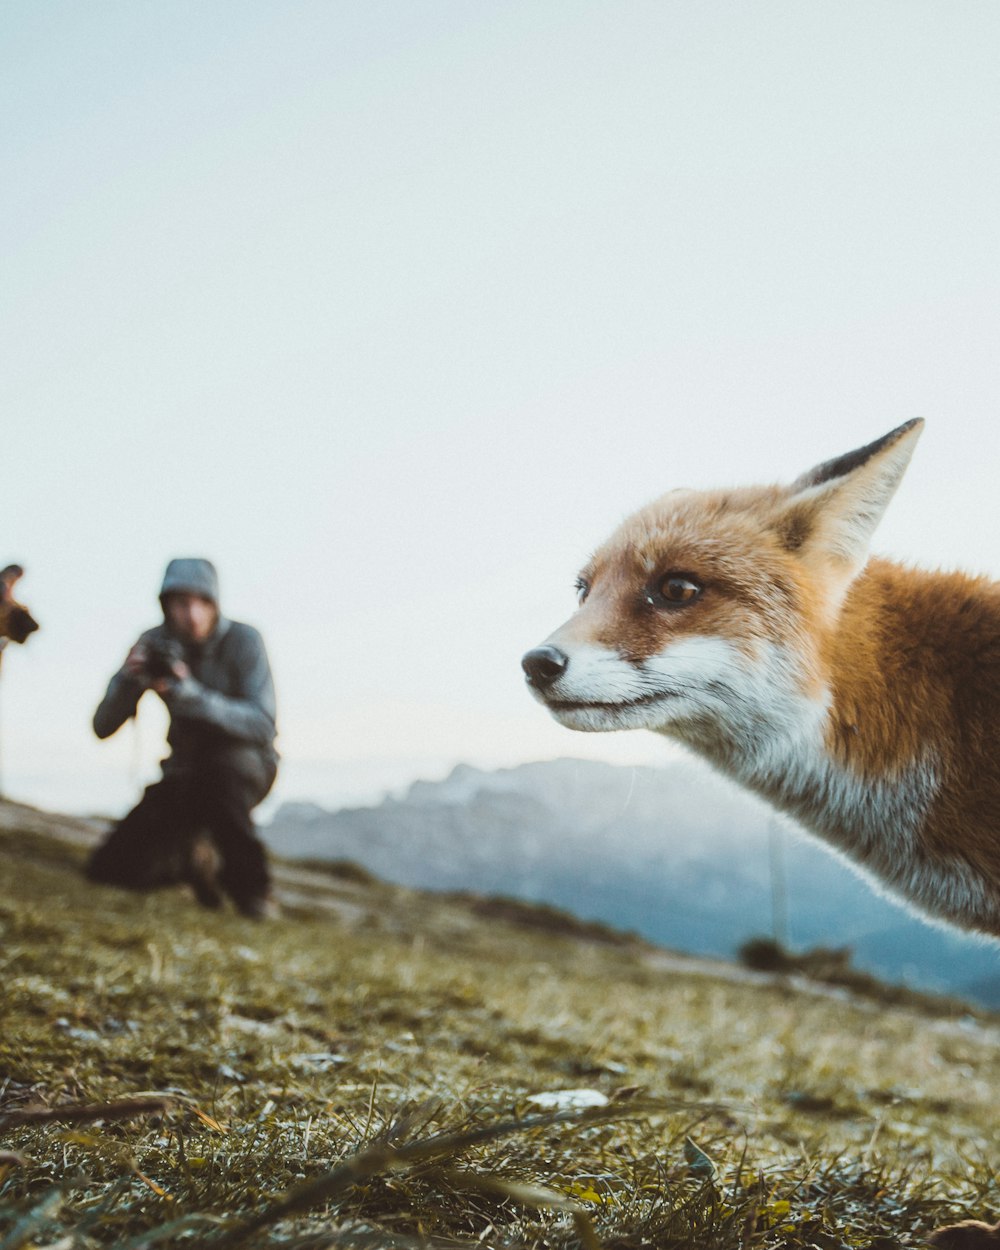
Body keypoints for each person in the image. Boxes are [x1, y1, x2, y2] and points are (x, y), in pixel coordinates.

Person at [86, 558, 279, 918]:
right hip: (183, 772)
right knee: (108, 869)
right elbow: (102, 727)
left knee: (222, 771)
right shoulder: (154, 644)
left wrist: (191, 694)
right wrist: (129, 680)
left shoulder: (244, 640)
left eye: (201, 602)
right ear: (165, 605)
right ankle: (193, 860)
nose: (191, 614)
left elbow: (262, 724)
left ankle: (253, 891)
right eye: (180, 603)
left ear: (214, 604)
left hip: (244, 769)